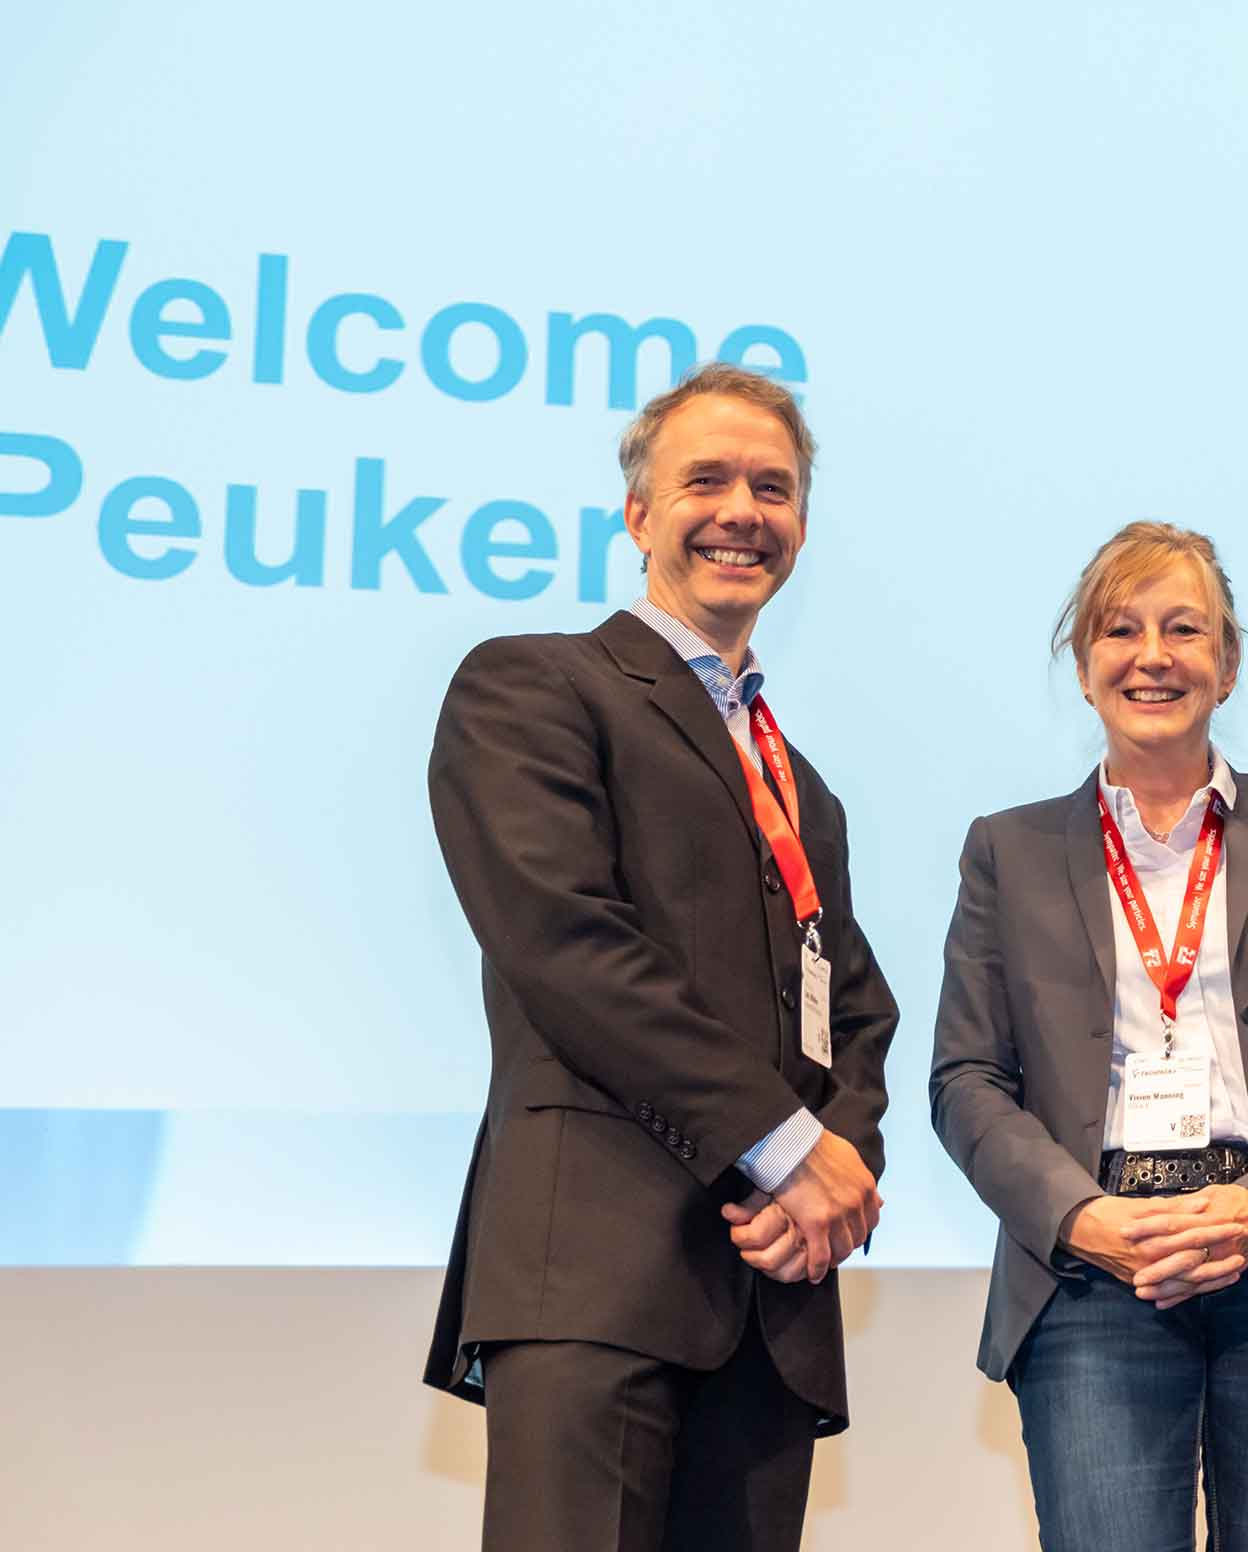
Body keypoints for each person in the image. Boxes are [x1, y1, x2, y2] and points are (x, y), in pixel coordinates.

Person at [423, 361, 896, 1552]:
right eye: (708, 480)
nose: (744, 509)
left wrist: (835, 1174)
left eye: (774, 489)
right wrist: (791, 1149)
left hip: (767, 1298)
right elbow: (566, 945)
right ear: (638, 515)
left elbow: (859, 1013)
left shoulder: (807, 787)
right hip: (597, 1279)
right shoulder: (532, 685)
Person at [931, 521, 1248, 1552]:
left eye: (1184, 628)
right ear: (1084, 664)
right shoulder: (1007, 851)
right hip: (1092, 1275)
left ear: (1227, 664)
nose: (1152, 655)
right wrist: (1081, 1218)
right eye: (1120, 629)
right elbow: (968, 1076)